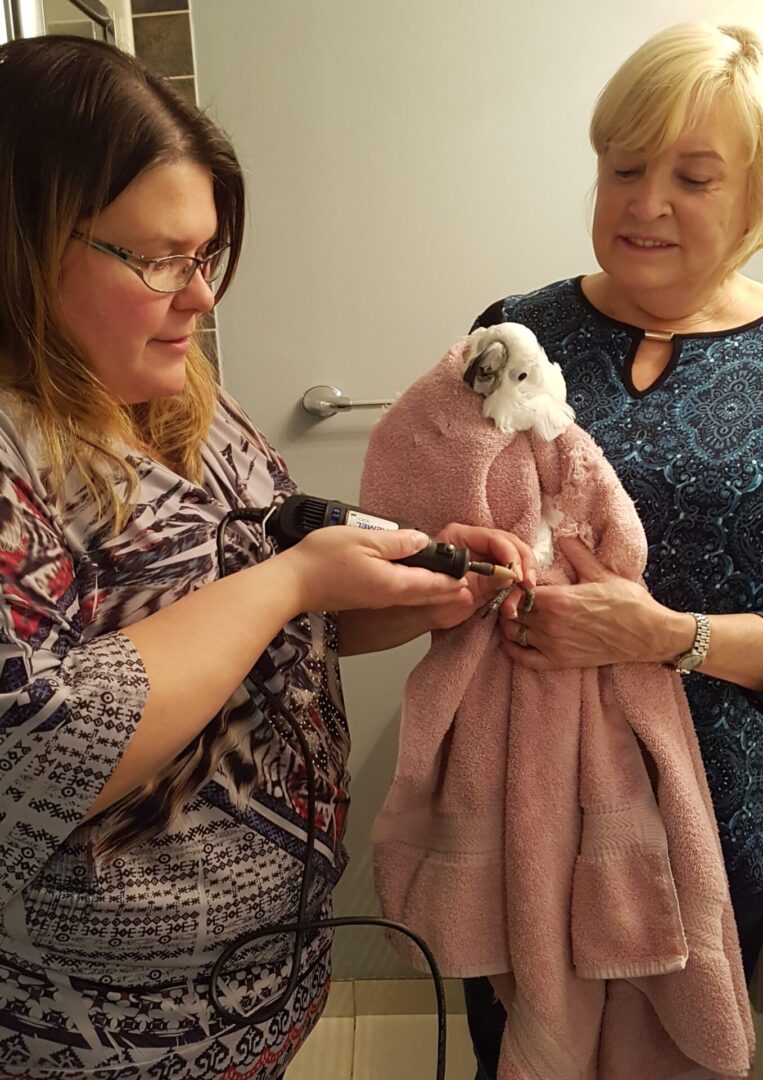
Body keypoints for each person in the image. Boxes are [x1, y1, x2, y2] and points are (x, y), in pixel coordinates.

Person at [0, 36, 536, 1080]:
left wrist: (417, 585)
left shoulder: (180, 398)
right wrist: (293, 580)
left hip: (259, 996)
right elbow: (34, 759)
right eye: (158, 258)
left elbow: (270, 608)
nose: (200, 298)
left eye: (205, 256)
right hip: (99, 1040)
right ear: (22, 241)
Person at [461, 21, 763, 1080]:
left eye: (692, 175)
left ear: (754, 196)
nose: (644, 203)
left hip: (723, 820)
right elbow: (435, 521)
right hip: (527, 802)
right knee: (526, 1043)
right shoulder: (510, 335)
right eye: (624, 167)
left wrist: (665, 637)